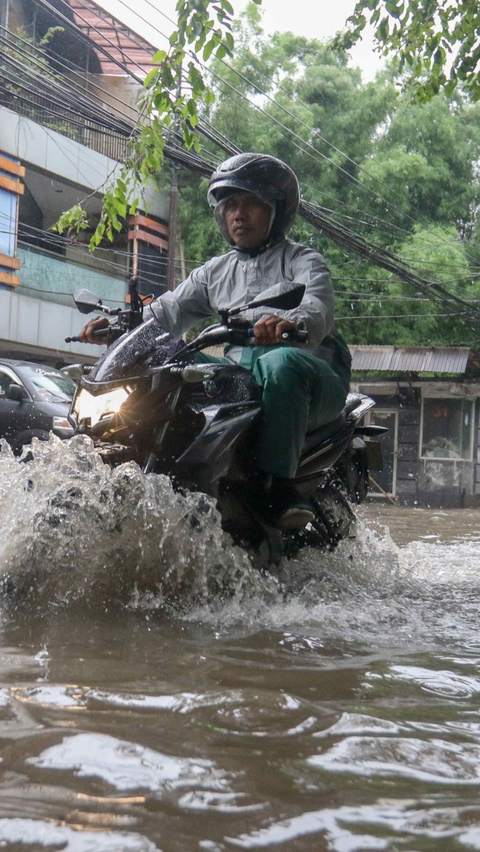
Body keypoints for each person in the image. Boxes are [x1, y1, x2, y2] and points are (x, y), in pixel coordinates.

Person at [79, 153, 351, 530]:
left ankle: (277, 487)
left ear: (279, 210)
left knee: (280, 363)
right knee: (174, 365)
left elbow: (317, 306)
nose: (239, 214)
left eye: (252, 203)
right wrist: (116, 325)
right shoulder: (216, 272)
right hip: (248, 378)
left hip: (312, 377)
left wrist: (290, 321)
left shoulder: (302, 261)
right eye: (231, 205)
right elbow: (166, 312)